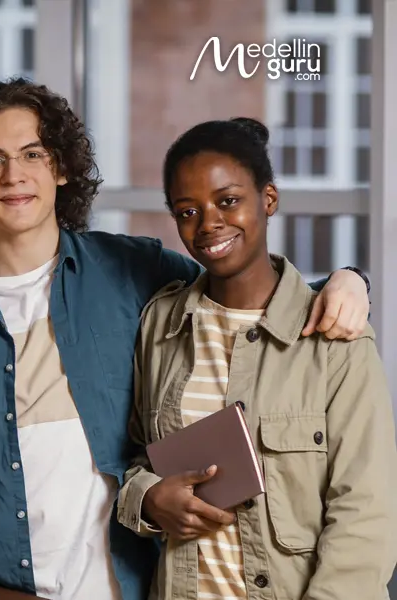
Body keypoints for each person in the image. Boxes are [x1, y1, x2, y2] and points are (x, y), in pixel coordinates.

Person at [0, 78, 373, 600]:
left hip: (135, 583)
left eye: (33, 152)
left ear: (62, 166)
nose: (14, 175)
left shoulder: (132, 267)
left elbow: (243, 290)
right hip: (2, 587)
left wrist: (346, 280)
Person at [118, 117, 396, 600]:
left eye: (228, 201)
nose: (208, 224)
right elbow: (139, 455)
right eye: (187, 211)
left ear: (268, 199)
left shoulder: (336, 336)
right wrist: (147, 498)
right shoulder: (160, 324)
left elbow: (364, 513)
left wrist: (354, 277)